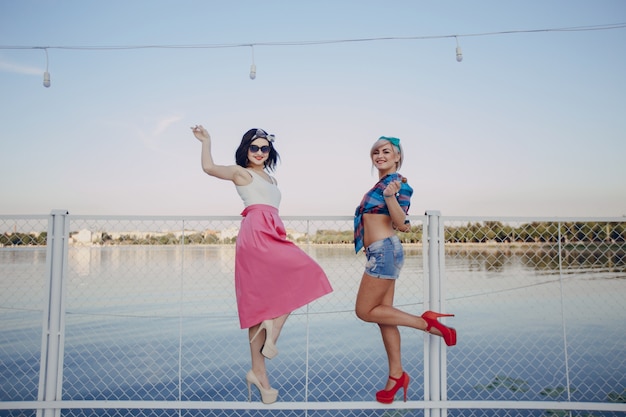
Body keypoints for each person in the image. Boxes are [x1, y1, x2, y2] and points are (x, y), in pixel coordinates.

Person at [191, 125, 333, 404]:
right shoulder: (239, 172)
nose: (259, 152)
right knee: (269, 298)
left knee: (307, 273)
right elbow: (208, 168)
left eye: (264, 148)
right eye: (254, 147)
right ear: (246, 149)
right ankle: (269, 347)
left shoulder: (272, 180)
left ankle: (261, 365)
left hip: (273, 231)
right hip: (255, 233)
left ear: (270, 152)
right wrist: (206, 141)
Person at [353, 136, 457, 404]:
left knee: (364, 311)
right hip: (381, 252)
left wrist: (390, 196)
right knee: (383, 316)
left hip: (385, 251)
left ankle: (427, 324)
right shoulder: (382, 182)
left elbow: (403, 224)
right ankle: (396, 375)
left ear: (397, 156)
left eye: (386, 151)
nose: (380, 155)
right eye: (375, 152)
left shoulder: (399, 185)